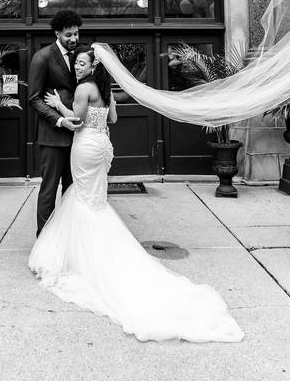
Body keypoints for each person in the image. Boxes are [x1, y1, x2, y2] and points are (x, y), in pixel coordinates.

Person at [28, 45, 244, 343]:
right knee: (95, 199)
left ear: (92, 66)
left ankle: (84, 255)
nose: (77, 67)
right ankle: (94, 247)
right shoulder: (105, 89)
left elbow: (76, 121)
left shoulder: (83, 88)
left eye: (81, 63)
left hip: (86, 146)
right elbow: (113, 119)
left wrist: (57, 105)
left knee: (81, 197)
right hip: (103, 146)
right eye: (76, 63)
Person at [28, 9, 83, 236]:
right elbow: (34, 99)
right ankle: (44, 240)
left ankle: (68, 240)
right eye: (69, 35)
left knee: (72, 191)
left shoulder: (81, 55)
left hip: (78, 135)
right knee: (49, 190)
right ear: (57, 33)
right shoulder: (42, 57)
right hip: (53, 136)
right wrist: (60, 120)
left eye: (76, 34)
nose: (74, 39)